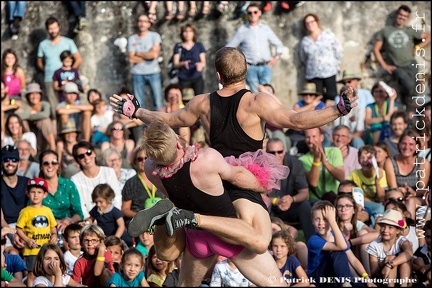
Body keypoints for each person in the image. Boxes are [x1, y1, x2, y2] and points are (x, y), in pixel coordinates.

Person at [111, 46, 356, 260]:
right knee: (260, 240)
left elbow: (170, 119)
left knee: (182, 257)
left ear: (218, 75)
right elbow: (297, 121)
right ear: (246, 70)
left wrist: (136, 112)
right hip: (244, 178)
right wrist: (338, 109)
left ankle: (173, 218)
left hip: (212, 175)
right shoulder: (257, 101)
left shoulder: (202, 102)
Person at [127, 119, 290, 287]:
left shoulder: (150, 169)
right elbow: (237, 176)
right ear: (177, 142)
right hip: (228, 233)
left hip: (196, 238)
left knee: (167, 257)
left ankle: (162, 220)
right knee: (265, 253)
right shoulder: (206, 159)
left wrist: (139, 113)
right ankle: (194, 217)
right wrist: (261, 183)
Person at [372, 4, 431, 107]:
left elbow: (427, 37)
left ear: (407, 18)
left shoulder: (409, 30)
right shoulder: (386, 31)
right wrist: (384, 65)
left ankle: (409, 110)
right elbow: (376, 49)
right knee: (409, 85)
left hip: (411, 64)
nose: (402, 17)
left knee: (415, 90)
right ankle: (410, 106)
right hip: (397, 66)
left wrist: (417, 48)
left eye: (405, 16)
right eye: (400, 15)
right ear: (396, 14)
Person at [307, 201, 374, 287]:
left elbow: (353, 259)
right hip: (318, 277)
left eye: (325, 219)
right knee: (338, 251)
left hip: (334, 276)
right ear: (312, 221)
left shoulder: (336, 235)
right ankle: (345, 283)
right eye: (317, 219)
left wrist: (367, 279)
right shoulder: (313, 240)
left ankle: (347, 283)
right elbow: (341, 246)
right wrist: (332, 221)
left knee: (360, 285)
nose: (321, 223)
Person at [225, 3, 283, 93]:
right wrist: (241, 63)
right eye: (250, 13)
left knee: (267, 94)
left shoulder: (265, 29)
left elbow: (279, 44)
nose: (253, 14)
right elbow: (229, 48)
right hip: (250, 68)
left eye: (255, 12)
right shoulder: (242, 30)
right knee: (255, 95)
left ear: (259, 13)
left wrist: (276, 58)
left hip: (266, 66)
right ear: (247, 14)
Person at [266, 138, 315, 242]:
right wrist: (276, 201)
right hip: (271, 209)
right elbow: (260, 197)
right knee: (263, 205)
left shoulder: (295, 163)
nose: (276, 155)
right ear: (266, 153)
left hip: (290, 206)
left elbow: (304, 193)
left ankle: (312, 242)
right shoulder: (262, 166)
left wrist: (291, 199)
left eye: (279, 152)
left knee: (305, 205)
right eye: (272, 152)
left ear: (284, 151)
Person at [37, 16, 83, 123]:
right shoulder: (43, 44)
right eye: (50, 28)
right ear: (47, 29)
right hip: (50, 79)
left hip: (67, 80)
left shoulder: (68, 42)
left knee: (70, 105)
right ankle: (57, 130)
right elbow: (39, 61)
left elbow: (78, 59)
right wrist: (47, 70)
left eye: (55, 28)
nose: (53, 31)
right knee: (54, 106)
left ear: (59, 27)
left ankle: (70, 129)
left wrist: (69, 71)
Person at [16, 177, 58, 286]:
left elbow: (53, 227)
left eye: (39, 192)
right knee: (32, 274)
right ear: (27, 193)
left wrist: (54, 235)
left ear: (45, 194)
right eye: (32, 192)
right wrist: (27, 239)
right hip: (32, 250)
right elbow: (19, 229)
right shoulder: (25, 211)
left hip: (46, 249)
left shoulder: (47, 210)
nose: (36, 195)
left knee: (49, 272)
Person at [384, 129, 430, 221]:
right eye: (404, 143)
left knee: (411, 201)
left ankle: (409, 228)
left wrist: (414, 193)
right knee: (396, 196)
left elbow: (422, 187)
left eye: (411, 144)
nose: (407, 147)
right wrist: (402, 191)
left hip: (416, 197)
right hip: (397, 195)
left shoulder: (423, 162)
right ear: (399, 144)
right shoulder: (390, 161)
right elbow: (393, 186)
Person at [71, 141, 122, 219]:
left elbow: (117, 197)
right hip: (90, 222)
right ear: (77, 160)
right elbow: (81, 206)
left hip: (112, 218)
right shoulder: (75, 180)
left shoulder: (109, 172)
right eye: (81, 156)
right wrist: (91, 221)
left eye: (88, 153)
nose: (86, 157)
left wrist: (113, 217)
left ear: (94, 153)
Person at [299, 13, 343, 104]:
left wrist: (334, 63)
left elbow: (338, 50)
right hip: (313, 74)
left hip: (329, 71)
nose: (310, 24)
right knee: (318, 98)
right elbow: (303, 57)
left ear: (317, 22)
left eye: (312, 21)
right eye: (307, 23)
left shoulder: (328, 35)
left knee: (332, 96)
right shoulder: (305, 41)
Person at [39, 149, 84, 233]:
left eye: (54, 162)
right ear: (41, 167)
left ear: (58, 165)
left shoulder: (69, 184)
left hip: (69, 229)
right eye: (46, 163)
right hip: (46, 230)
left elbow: (78, 213)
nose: (50, 166)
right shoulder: (37, 188)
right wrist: (54, 222)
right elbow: (32, 213)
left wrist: (69, 221)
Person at [365, 209, 413, 285]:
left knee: (403, 260)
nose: (385, 230)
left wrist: (390, 264)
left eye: (390, 227)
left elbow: (409, 253)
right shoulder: (374, 245)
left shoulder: (402, 241)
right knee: (390, 258)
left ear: (397, 230)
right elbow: (373, 272)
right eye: (383, 226)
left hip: (402, 277)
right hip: (382, 279)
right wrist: (384, 262)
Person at [121, 146, 165, 227]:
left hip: (161, 221)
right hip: (140, 224)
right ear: (135, 162)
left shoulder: (161, 179)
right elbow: (125, 209)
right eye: (140, 159)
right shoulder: (131, 183)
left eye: (147, 158)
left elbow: (169, 200)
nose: (143, 161)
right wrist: (141, 216)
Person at [127, 13, 163, 111]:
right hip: (137, 73)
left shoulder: (154, 36)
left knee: (158, 101)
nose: (142, 24)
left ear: (149, 24)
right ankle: (140, 125)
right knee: (138, 104)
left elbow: (154, 55)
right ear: (137, 23)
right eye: (140, 21)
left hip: (154, 72)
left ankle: (160, 125)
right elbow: (131, 58)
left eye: (145, 21)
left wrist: (138, 53)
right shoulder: (132, 38)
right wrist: (148, 55)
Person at [299, 127, 345, 203]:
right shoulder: (302, 160)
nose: (311, 141)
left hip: (334, 197)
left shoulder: (334, 151)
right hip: (316, 199)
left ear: (321, 138)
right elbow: (313, 183)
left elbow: (341, 177)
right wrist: (316, 160)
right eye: (308, 137)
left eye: (314, 137)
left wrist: (325, 162)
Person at [348, 145, 386, 227]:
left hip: (376, 204)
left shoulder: (381, 172)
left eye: (369, 158)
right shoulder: (354, 174)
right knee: (378, 208)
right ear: (358, 160)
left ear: (375, 160)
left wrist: (377, 181)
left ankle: (375, 231)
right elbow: (357, 196)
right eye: (362, 157)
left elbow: (381, 198)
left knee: (379, 208)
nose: (365, 160)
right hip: (361, 203)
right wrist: (372, 201)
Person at [1, 145, 29, 253]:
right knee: (13, 253)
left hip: (25, 225)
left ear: (18, 162)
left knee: (30, 252)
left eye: (14, 159)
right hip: (6, 227)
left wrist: (22, 234)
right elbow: (1, 219)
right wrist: (12, 235)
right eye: (6, 159)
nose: (10, 163)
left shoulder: (27, 183)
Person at [21, 82, 57, 151]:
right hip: (30, 132)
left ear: (40, 95)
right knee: (23, 121)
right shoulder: (25, 106)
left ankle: (53, 147)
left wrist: (31, 115)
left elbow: (45, 114)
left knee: (44, 120)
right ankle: (29, 144)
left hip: (46, 133)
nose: (35, 96)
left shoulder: (45, 104)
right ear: (28, 96)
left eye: (37, 93)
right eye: (32, 94)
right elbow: (19, 116)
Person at [172, 23, 207, 95]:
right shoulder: (178, 46)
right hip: (183, 78)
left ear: (194, 33)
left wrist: (200, 65)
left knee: (199, 98)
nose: (187, 34)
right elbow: (175, 64)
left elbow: (203, 62)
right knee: (185, 100)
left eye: (190, 31)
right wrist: (183, 63)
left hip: (196, 76)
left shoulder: (199, 46)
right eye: (185, 31)